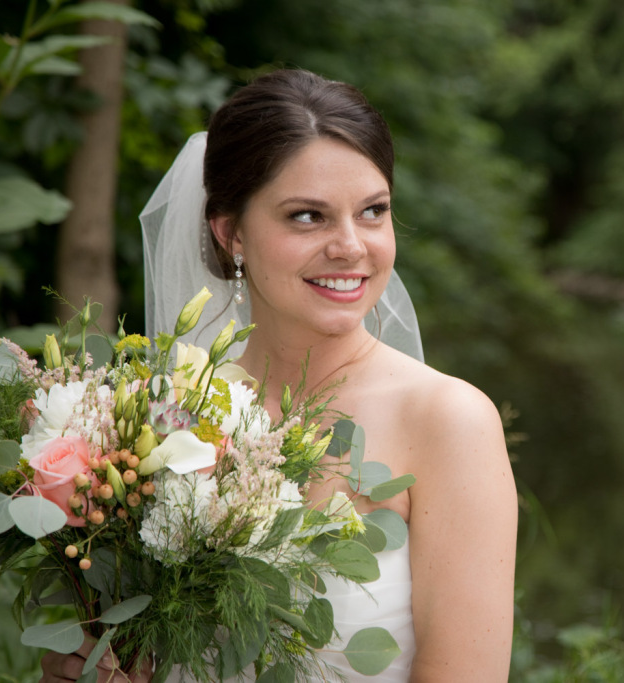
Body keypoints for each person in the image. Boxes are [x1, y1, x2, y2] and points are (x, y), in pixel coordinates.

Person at [40, 69, 517, 682]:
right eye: (307, 216)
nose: (351, 246)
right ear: (230, 232)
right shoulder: (155, 419)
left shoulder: (449, 421)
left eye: (373, 211)